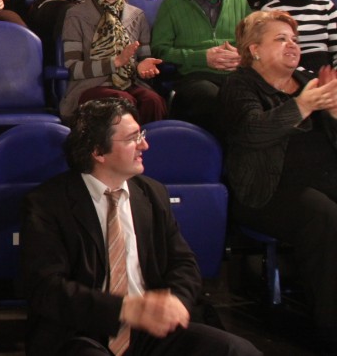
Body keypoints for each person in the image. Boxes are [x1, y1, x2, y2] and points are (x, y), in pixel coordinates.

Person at [21, 98, 263, 356]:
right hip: (81, 332)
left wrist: (175, 302)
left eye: (141, 135)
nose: (144, 145)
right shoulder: (47, 203)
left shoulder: (153, 193)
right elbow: (46, 288)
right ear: (98, 152)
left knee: (238, 351)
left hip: (149, 330)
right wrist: (125, 309)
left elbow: (183, 262)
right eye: (132, 139)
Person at [219, 10, 337, 348]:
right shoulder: (239, 86)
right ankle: (331, 330)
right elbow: (251, 132)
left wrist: (334, 112)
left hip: (323, 180)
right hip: (267, 191)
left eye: (294, 40)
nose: (292, 45)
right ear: (254, 49)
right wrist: (301, 106)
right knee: (325, 217)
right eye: (281, 39)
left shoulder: (308, 81)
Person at [151, 0, 251, 132]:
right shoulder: (173, 3)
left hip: (237, 75)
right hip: (195, 76)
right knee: (212, 99)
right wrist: (202, 57)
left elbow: (253, 44)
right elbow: (160, 50)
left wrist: (242, 56)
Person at [60, 0, 166, 125]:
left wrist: (142, 67)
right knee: (123, 103)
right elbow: (73, 68)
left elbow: (142, 59)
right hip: (90, 87)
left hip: (129, 84)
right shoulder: (76, 16)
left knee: (152, 101)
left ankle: (146, 142)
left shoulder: (137, 15)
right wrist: (114, 63)